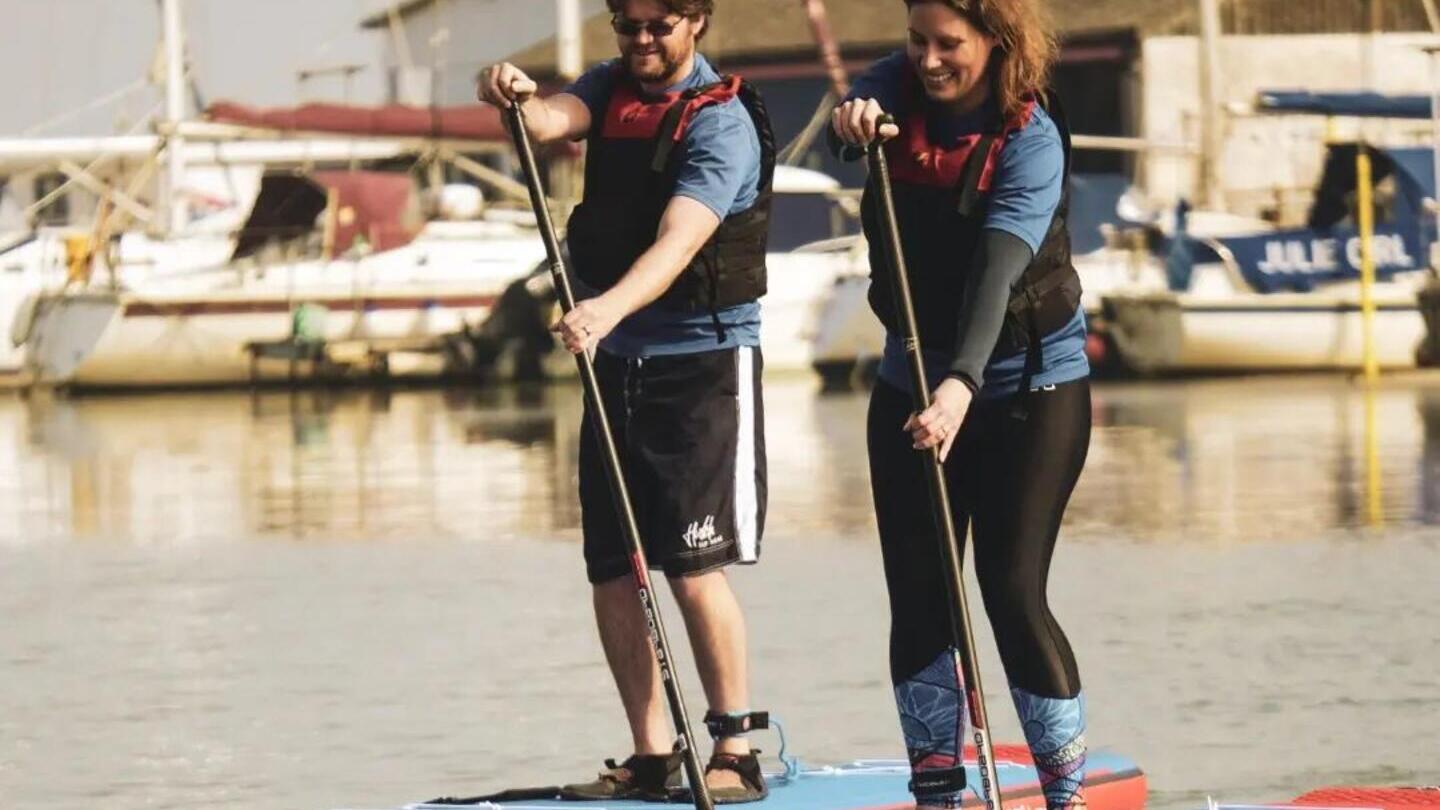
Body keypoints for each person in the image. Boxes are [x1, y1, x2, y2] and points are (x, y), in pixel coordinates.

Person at [477, 0, 773, 803]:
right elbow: (543, 120)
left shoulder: (721, 125)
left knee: (692, 569)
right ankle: (651, 754)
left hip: (702, 362)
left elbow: (679, 242)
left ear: (697, 23)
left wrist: (605, 309)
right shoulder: (609, 88)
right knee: (614, 570)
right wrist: (501, 88)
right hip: (619, 364)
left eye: (659, 27)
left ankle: (737, 747)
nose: (642, 41)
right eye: (628, 25)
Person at [829, 1, 1091, 809]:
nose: (931, 60)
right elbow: (870, 86)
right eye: (918, 42)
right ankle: (937, 796)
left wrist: (961, 384)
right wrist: (855, 109)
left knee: (1010, 591)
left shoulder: (1031, 142)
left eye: (951, 45)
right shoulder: (891, 99)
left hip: (1026, 387)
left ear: (998, 44)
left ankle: (1065, 797)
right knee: (920, 597)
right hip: (913, 386)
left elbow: (994, 277)